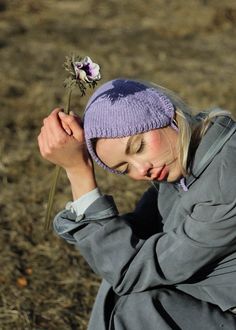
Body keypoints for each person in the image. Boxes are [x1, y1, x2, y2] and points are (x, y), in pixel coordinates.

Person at [38, 79, 236, 330]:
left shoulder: (226, 180)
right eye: (125, 168)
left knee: (138, 305)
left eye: (139, 146)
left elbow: (130, 269)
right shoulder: (186, 164)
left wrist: (79, 172)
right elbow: (122, 252)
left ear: (165, 113)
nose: (143, 170)